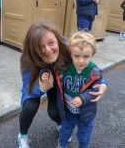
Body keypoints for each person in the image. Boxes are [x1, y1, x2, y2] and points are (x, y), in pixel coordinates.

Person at [18, 19, 106, 148]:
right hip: (37, 84)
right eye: (41, 46)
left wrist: (102, 83)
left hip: (59, 83)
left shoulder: (67, 48)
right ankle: (22, 135)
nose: (48, 50)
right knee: (30, 107)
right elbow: (27, 87)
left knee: (55, 111)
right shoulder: (28, 59)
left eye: (51, 43)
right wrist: (41, 88)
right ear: (33, 49)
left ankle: (62, 124)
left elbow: (87, 70)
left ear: (57, 40)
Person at [57, 32, 106, 148]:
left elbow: (96, 90)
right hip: (68, 112)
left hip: (85, 114)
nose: (81, 61)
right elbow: (56, 77)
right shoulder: (65, 68)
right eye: (76, 56)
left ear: (92, 55)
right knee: (64, 133)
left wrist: (82, 98)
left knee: (84, 138)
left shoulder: (94, 71)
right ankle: (61, 145)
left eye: (86, 56)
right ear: (70, 54)